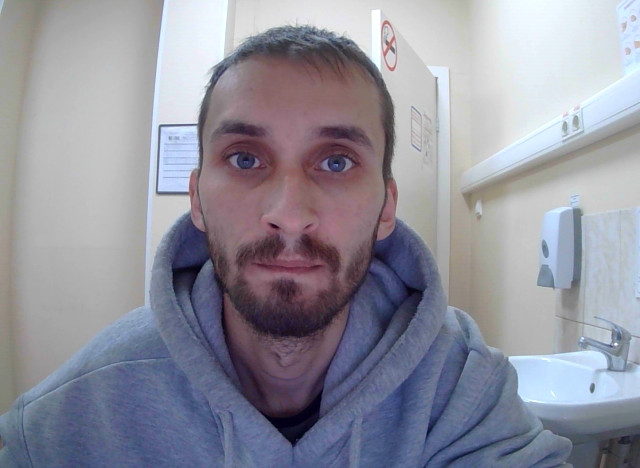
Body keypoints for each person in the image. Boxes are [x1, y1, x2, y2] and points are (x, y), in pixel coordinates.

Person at [0, 25, 572, 467]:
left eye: (336, 162)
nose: (290, 213)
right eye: (245, 158)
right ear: (196, 199)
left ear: (386, 208)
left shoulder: (458, 385)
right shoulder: (74, 414)